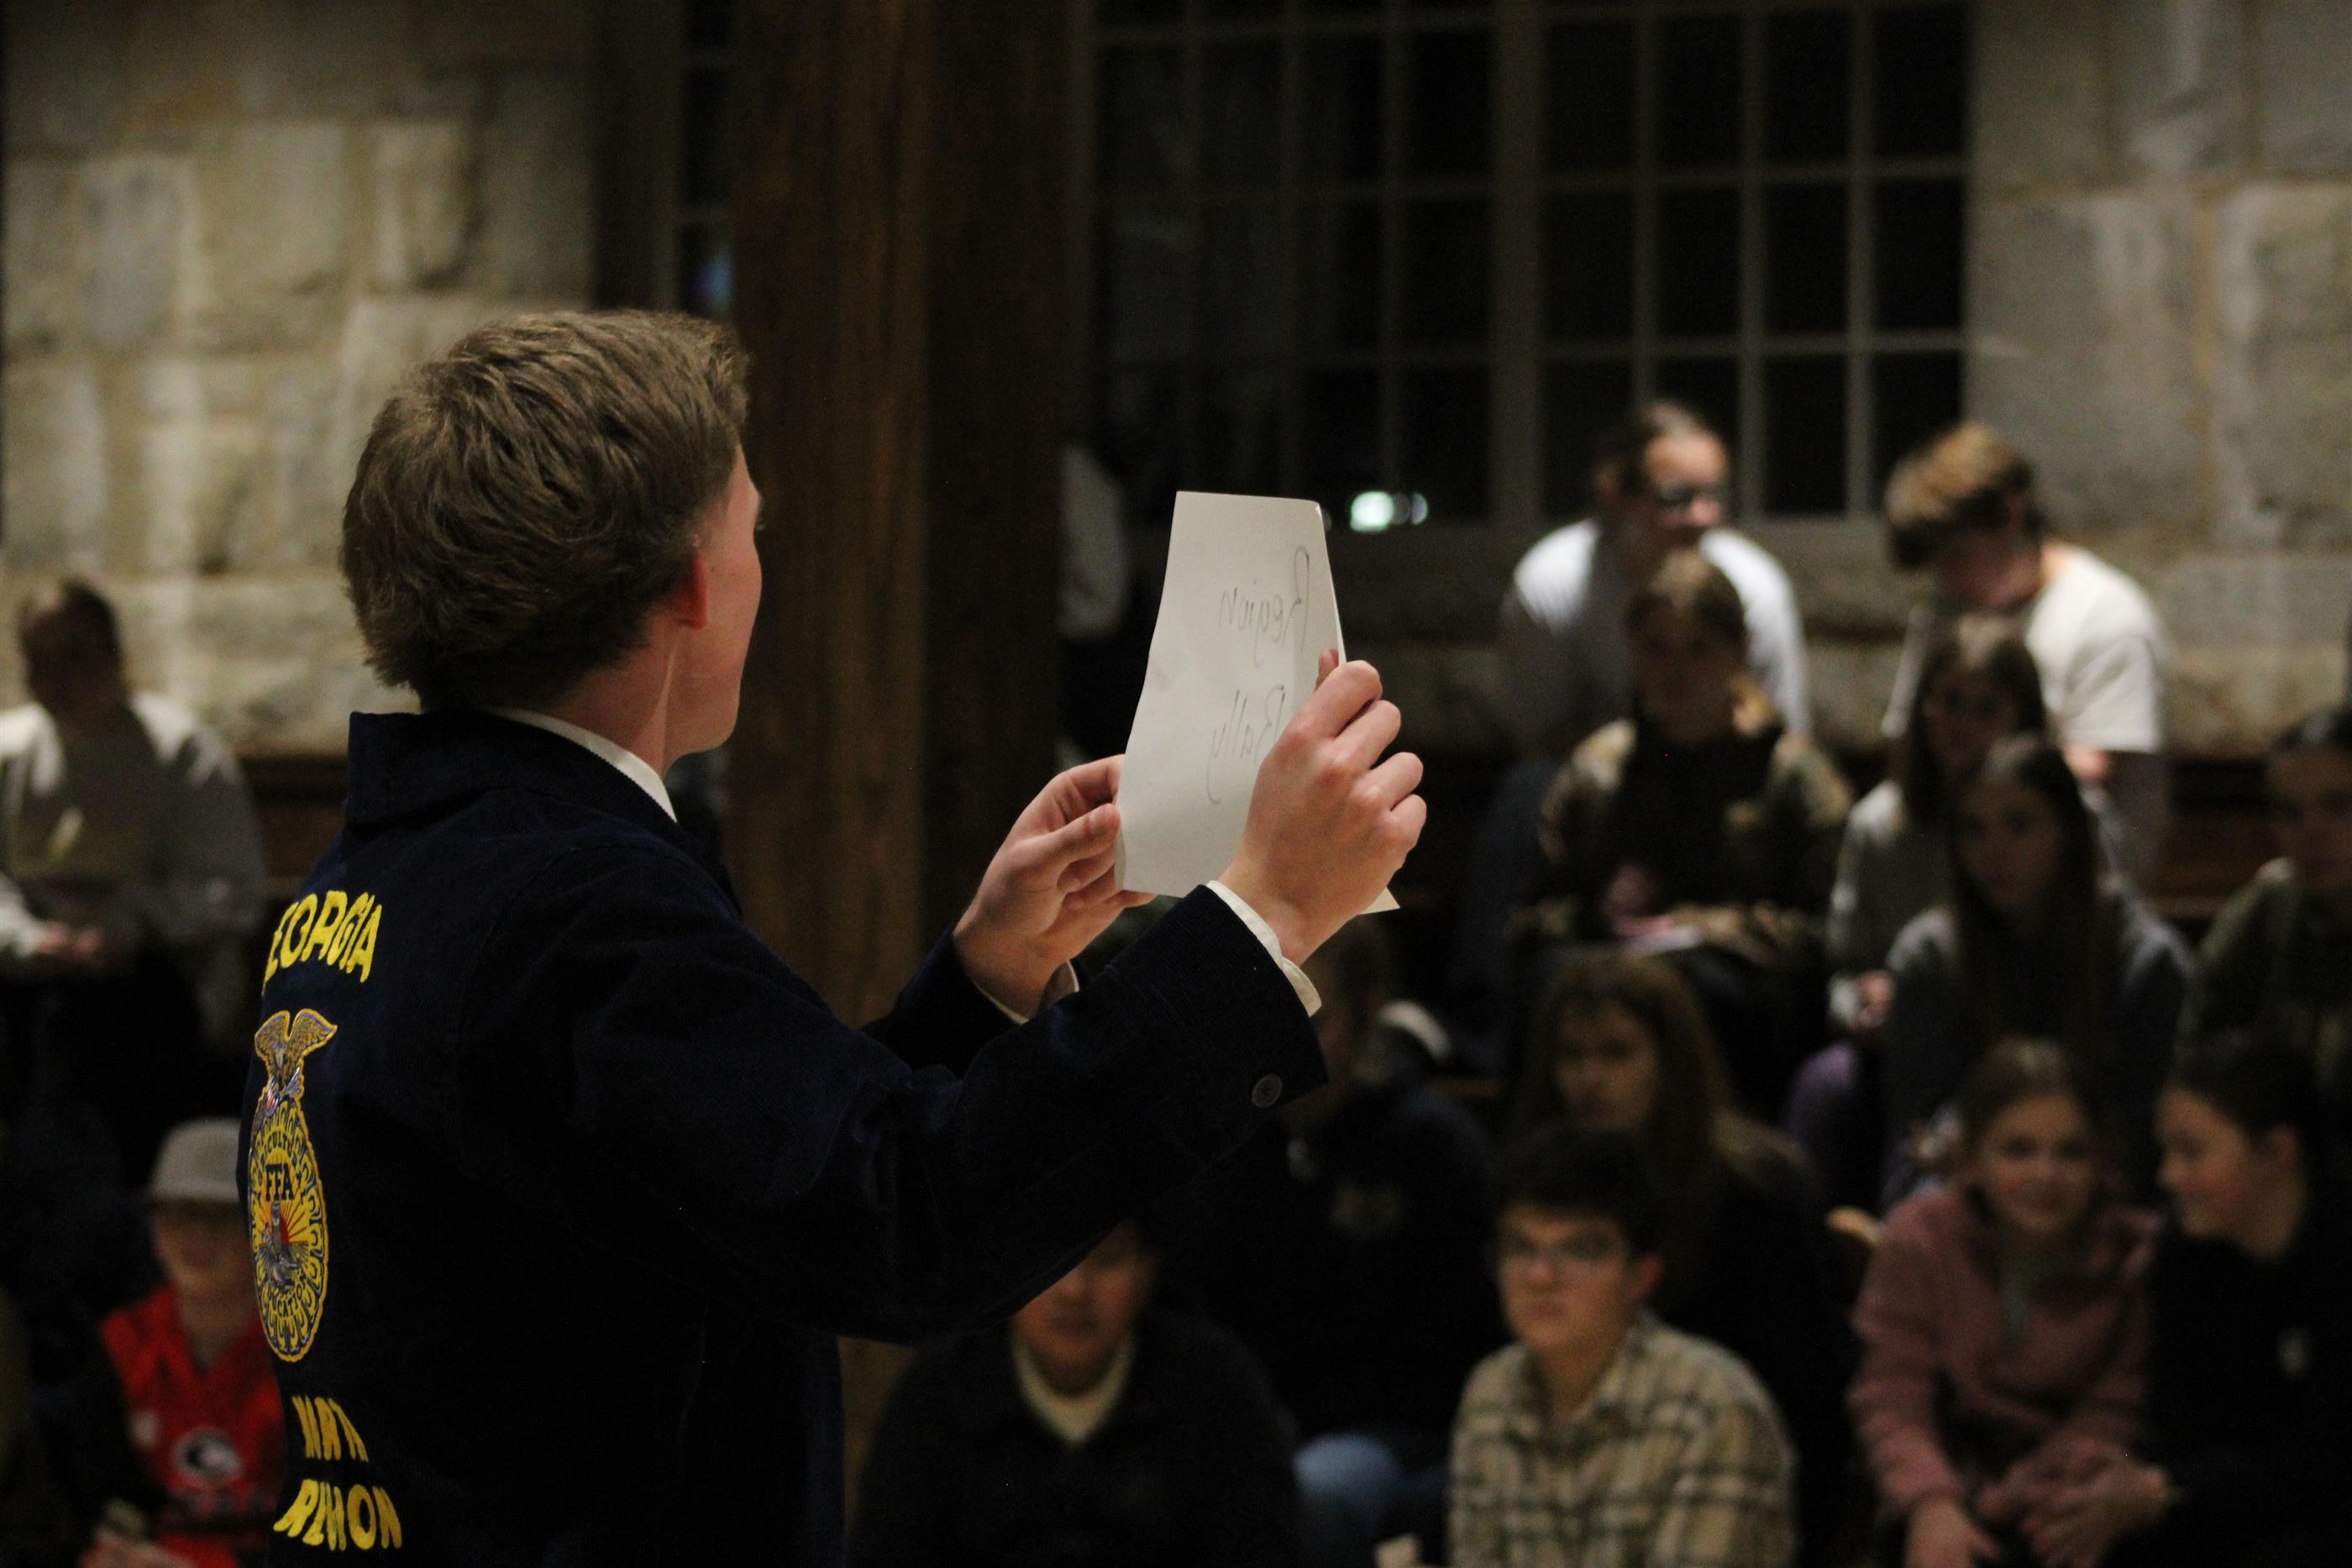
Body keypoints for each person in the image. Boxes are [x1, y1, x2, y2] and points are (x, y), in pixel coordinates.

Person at [246, 310, 1424, 1565]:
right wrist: (1262, 919)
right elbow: (904, 1228)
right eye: (753, 532)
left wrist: (982, 984)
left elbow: (745, 1186)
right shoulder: (574, 899)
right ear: (692, 583)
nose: (759, 566)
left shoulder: (393, 861)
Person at [1164, 919, 1499, 1568]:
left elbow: (1452, 1344)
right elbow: (1199, 1313)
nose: (1284, 1049)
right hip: (1253, 1416)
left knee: (1315, 1494)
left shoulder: (1433, 1147)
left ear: (1367, 1013)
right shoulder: (1230, 1142)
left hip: (1390, 1428)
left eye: (1313, 1023)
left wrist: (1287, 1418)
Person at [1508, 955, 1854, 1565]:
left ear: (1670, 1062)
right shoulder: (1529, 1185)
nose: (1590, 1078)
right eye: (1571, 1055)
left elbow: (1809, 1395)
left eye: (1617, 1053)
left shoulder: (1759, 1191)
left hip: (1732, 1466)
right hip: (1570, 1466)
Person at [1519, 551, 1849, 1116]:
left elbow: (1826, 928)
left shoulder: (1793, 775)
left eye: (1699, 649)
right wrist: (1596, 911)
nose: (1677, 670)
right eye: (1657, 648)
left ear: (1739, 652)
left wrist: (1701, 929)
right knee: (1550, 980)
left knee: (1705, 987)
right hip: (1613, 974)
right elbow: (1535, 913)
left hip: (1739, 994)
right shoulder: (1601, 769)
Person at [2018, 1030, 2350, 1566]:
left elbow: (2325, 1459)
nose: (2168, 1176)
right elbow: (2180, 1422)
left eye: (2191, 1152)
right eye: (2166, 1150)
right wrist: (2121, 1476)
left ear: (2276, 1151)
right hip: (2223, 1506)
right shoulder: (2187, 1254)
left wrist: (2160, 1489)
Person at [1850, 1040, 2155, 1568]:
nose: (2045, 1175)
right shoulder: (1921, 1238)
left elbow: (2118, 1408)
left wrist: (2024, 1492)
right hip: (1933, 1484)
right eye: (2018, 1150)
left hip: (2063, 1494)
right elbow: (1892, 1391)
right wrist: (1930, 1502)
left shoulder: (2136, 1256)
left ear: (2102, 1161)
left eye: (2071, 1153)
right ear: (1971, 1160)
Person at [0, 581, 266, 1183]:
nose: (58, 680)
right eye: (42, 663)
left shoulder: (179, 750)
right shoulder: (12, 752)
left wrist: (130, 926)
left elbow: (230, 890)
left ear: (114, 654)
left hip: (158, 983)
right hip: (34, 977)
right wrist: (28, 940)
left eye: (75, 656)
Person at [848, 1215, 1294, 1568]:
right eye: (1048, 1262)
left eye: (1107, 1259)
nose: (1074, 1290)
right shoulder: (942, 1388)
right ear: (1005, 1271)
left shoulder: (1212, 1384)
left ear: (1146, 1272)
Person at [1787, 618, 2050, 1209]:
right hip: (1907, 1042)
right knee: (1826, 1085)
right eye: (1948, 703)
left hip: (2022, 1037)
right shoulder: (1882, 824)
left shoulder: (2068, 819)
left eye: (1986, 708)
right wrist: (1863, 1005)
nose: (1962, 725)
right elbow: (1845, 968)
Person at [1449, 1125, 1795, 1568]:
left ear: (1641, 1276)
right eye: (1520, 1248)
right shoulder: (1490, 1393)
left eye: (1580, 1250)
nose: (1540, 1277)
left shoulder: (1712, 1406)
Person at [1882, 737, 2190, 1202]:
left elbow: (2148, 1130)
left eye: (2019, 826)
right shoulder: (1931, 955)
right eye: (1973, 830)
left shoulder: (2144, 960)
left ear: (2067, 832)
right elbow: (1917, 1123)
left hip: (2104, 1185)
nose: (1993, 851)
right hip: (1973, 1181)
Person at [1880, 423, 2171, 880]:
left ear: (2009, 515)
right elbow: (1909, 742)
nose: (1946, 579)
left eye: (1958, 555)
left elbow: (2094, 773)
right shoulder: (1946, 612)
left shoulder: (2107, 616)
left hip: (2074, 882)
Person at [1499, 400, 1810, 761]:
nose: (1702, 517)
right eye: (1676, 498)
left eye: (1714, 495)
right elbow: (1535, 737)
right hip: (1596, 772)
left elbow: (1786, 732)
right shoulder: (1552, 584)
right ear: (1614, 493)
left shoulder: (1754, 586)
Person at [81, 1120, 282, 1568]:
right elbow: (103, 1498)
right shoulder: (123, 1342)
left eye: (221, 1215)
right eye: (179, 1214)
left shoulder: (301, 1355)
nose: (197, 1235)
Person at [2181, 706, 2352, 1150]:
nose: (2313, 832)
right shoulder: (2269, 910)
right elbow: (2199, 1053)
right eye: (2290, 813)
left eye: (2338, 807)